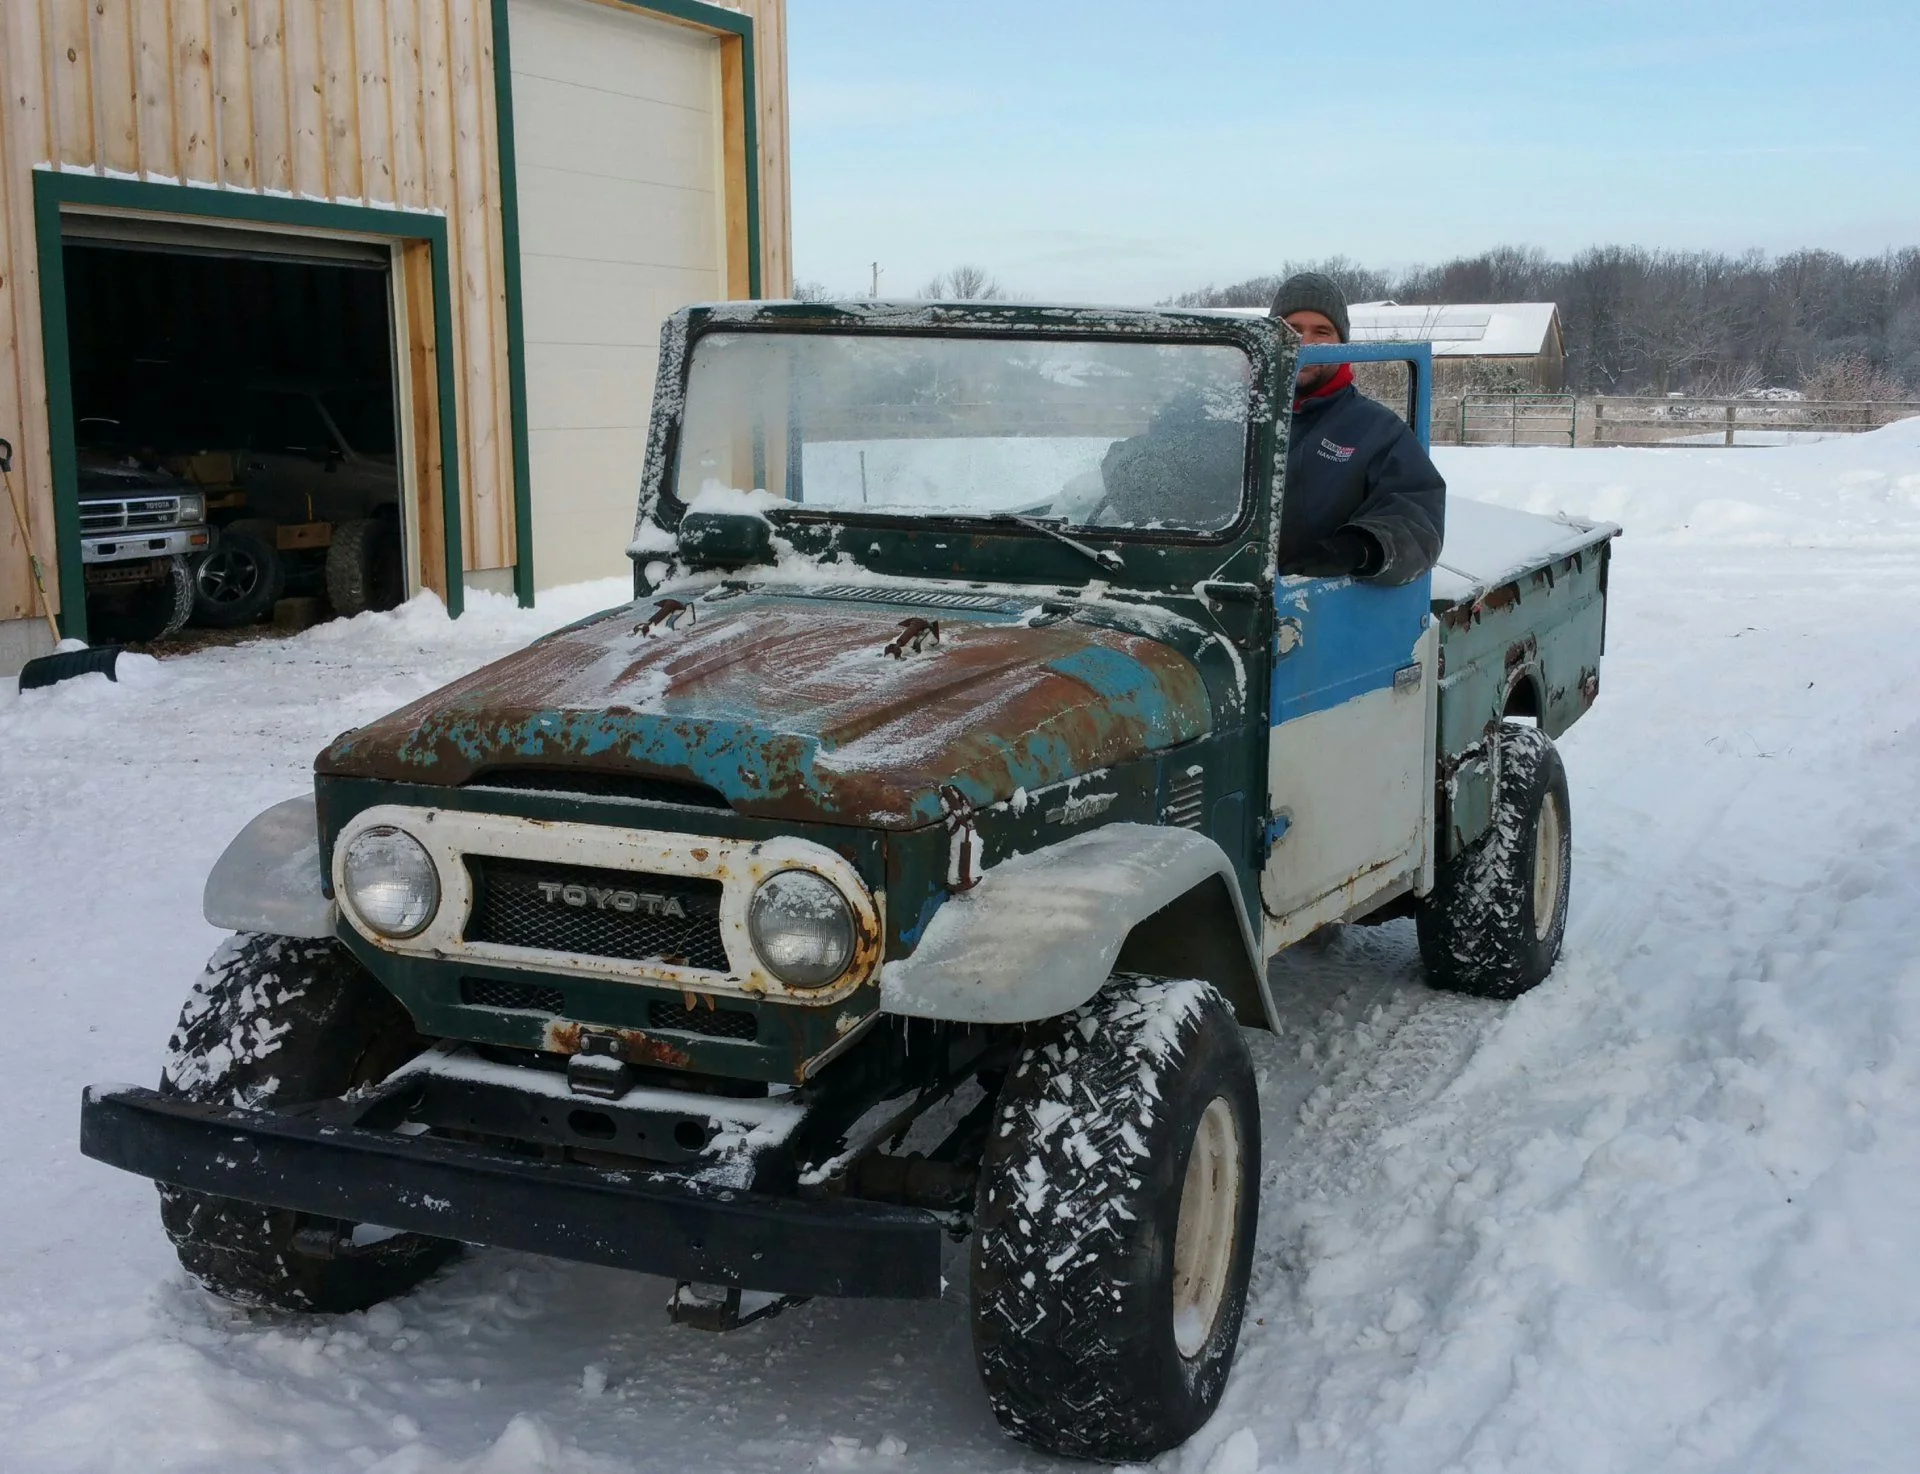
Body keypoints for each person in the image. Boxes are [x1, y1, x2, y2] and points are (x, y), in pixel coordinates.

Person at [1271, 272, 1444, 583]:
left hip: (1309, 612)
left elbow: (1418, 521)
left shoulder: (1376, 430)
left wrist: (1359, 549)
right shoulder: (1228, 417)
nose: (1305, 343)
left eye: (1321, 332)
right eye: (1292, 329)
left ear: (1342, 344)